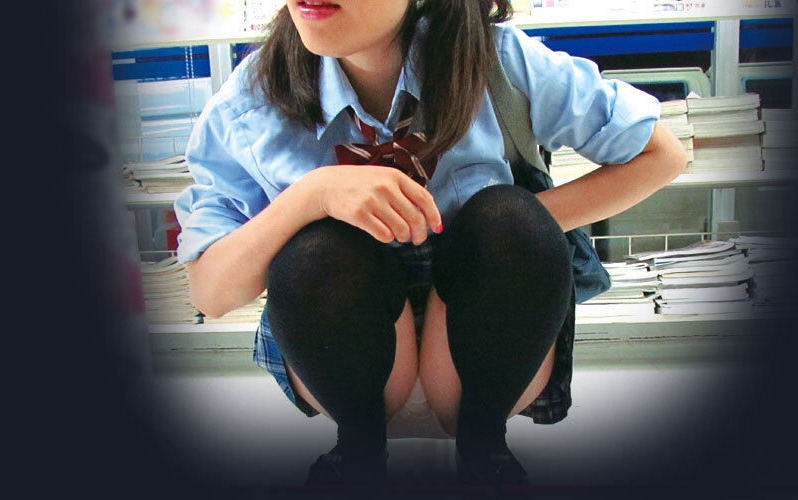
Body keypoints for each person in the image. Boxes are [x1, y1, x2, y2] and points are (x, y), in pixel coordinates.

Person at [174, 0, 687, 487]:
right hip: (342, 361)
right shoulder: (252, 100)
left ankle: (484, 454)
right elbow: (210, 293)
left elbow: (661, 155)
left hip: (490, 354)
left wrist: (511, 228)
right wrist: (311, 196)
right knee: (317, 243)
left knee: (509, 216)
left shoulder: (496, 61)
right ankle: (358, 456)